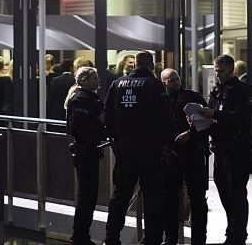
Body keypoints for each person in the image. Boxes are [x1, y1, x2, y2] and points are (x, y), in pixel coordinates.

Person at [103, 51, 173, 245]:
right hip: (149, 151)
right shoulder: (154, 85)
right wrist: (162, 145)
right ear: (151, 66)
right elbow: (166, 118)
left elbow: (107, 116)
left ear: (134, 65)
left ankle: (111, 236)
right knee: (152, 197)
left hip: (124, 150)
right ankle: (153, 239)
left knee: (120, 195)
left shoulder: (117, 85)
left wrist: (116, 142)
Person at [202, 54, 252, 245]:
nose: (218, 75)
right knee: (225, 193)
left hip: (237, 150)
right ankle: (231, 230)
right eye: (216, 71)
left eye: (221, 71)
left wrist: (215, 114)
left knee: (237, 194)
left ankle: (238, 235)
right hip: (220, 150)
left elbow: (242, 118)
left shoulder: (244, 90)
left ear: (232, 70)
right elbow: (211, 115)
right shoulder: (216, 91)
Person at [160, 68, 208, 245]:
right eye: (171, 80)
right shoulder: (161, 100)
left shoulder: (192, 97)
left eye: (177, 78)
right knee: (169, 199)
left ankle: (199, 239)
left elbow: (205, 121)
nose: (175, 82)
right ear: (164, 82)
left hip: (192, 154)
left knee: (198, 200)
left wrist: (190, 133)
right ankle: (170, 238)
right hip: (170, 156)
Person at [66, 66, 104, 245]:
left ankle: (82, 234)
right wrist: (98, 127)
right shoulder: (82, 99)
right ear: (84, 81)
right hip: (86, 151)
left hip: (88, 150)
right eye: (94, 78)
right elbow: (77, 127)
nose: (98, 81)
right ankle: (80, 235)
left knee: (88, 195)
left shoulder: (85, 98)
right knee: (87, 196)